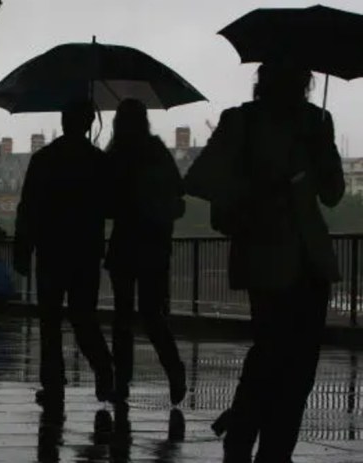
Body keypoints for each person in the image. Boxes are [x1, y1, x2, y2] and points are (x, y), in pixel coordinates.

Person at [185, 62, 345, 462]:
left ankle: (250, 434)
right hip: (293, 255)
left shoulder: (311, 123)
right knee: (286, 359)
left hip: (285, 258)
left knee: (282, 358)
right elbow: (333, 195)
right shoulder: (251, 122)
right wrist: (265, 188)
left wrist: (314, 158)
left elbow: (332, 189)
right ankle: (261, 440)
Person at [14, 99, 114, 404]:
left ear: (63, 121)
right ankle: (104, 368)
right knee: (84, 316)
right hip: (84, 249)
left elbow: (27, 208)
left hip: (51, 249)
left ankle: (54, 383)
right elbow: (110, 206)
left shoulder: (44, 158)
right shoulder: (97, 161)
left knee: (50, 320)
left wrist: (22, 248)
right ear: (88, 124)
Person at [105, 98, 187, 406]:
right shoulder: (157, 152)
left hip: (125, 242)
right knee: (152, 315)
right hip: (154, 243)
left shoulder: (116, 155)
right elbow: (178, 191)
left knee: (122, 317)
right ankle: (174, 369)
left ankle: (121, 381)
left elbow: (107, 201)